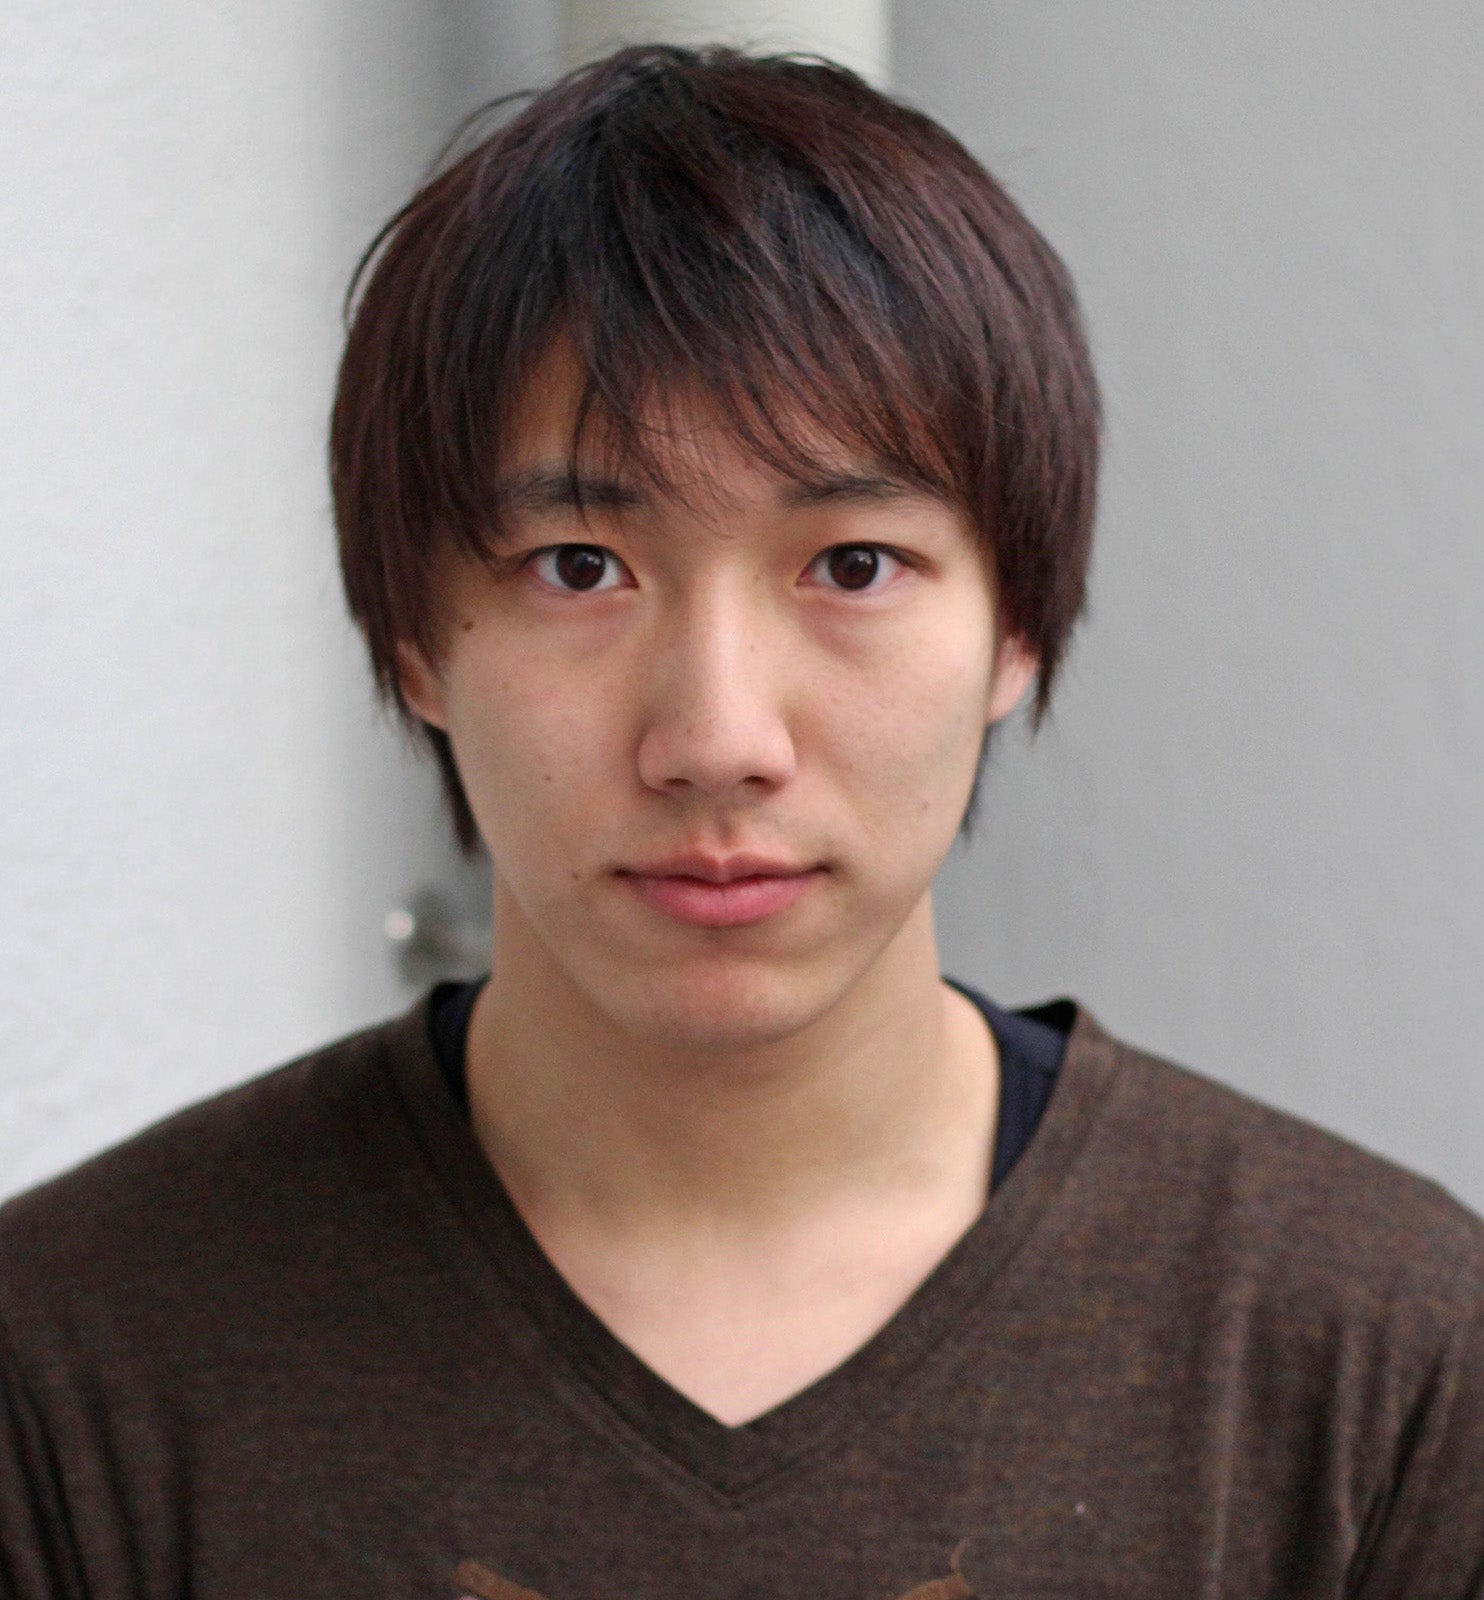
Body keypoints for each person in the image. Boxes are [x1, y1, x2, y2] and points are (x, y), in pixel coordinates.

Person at [2, 43, 1481, 1600]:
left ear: (1018, 628)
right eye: (580, 568)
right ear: (414, 642)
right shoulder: (72, 1374)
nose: (716, 741)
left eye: (852, 567)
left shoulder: (1380, 1374)